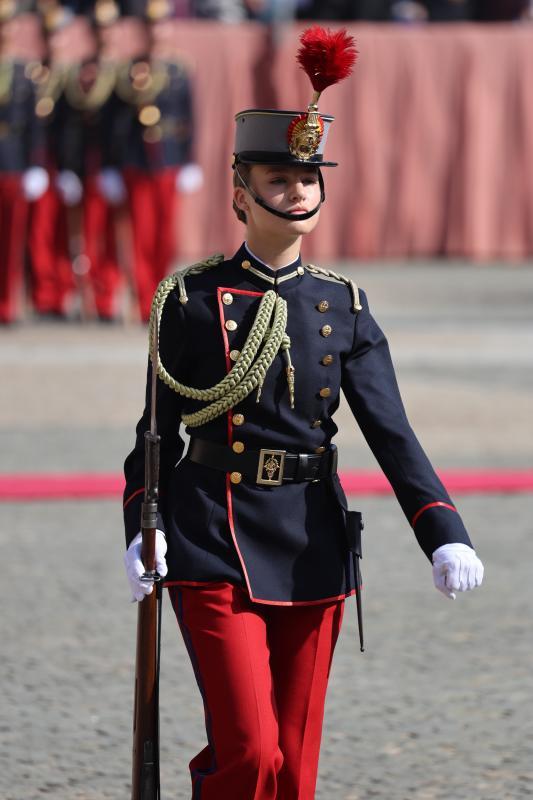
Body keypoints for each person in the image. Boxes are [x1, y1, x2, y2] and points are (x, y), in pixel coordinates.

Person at [123, 27, 484, 800]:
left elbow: (391, 432)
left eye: (306, 178)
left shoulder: (341, 305)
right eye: (277, 178)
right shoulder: (187, 301)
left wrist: (442, 530)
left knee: (293, 766)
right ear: (239, 191)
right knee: (248, 752)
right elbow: (153, 434)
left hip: (312, 539)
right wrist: (140, 526)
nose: (296, 191)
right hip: (211, 536)